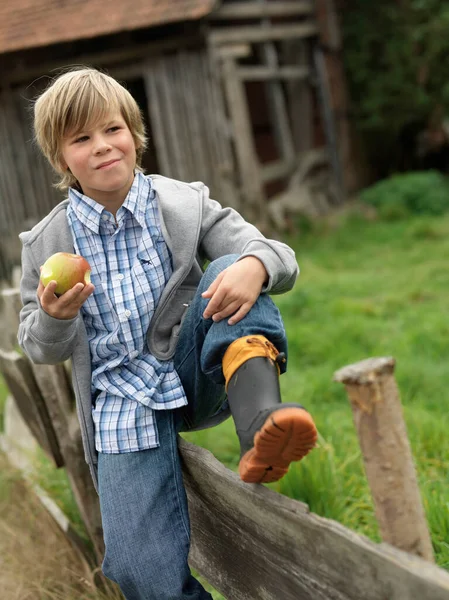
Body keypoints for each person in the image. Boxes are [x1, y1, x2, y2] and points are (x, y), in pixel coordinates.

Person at [18, 67, 317, 600]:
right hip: (121, 403)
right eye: (81, 138)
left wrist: (255, 266)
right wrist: (55, 315)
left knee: (236, 263)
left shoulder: (183, 204)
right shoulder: (46, 245)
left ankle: (260, 427)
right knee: (138, 571)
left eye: (112, 129)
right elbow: (38, 347)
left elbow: (280, 255)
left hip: (194, 370)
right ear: (60, 158)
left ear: (134, 133)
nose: (103, 147)